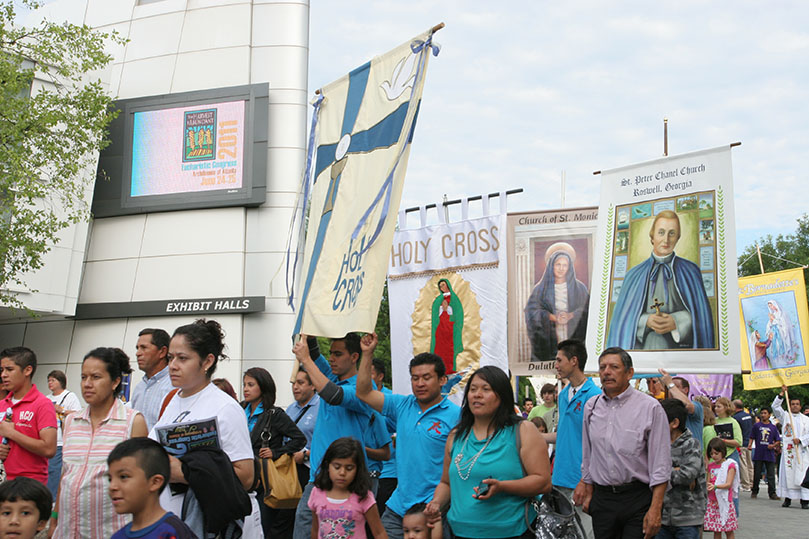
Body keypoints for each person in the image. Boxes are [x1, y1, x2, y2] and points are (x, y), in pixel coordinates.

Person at [150, 319, 260, 537]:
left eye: (183, 358)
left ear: (207, 361)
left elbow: (246, 477)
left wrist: (184, 472)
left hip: (212, 527)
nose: (173, 365)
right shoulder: (172, 399)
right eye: (171, 358)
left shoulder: (225, 407)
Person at [354, 334, 460, 539]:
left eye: (426, 377)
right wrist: (367, 355)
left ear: (442, 380)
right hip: (398, 508)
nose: (420, 383)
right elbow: (364, 393)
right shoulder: (402, 405)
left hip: (435, 510)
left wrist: (438, 504)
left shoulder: (456, 415)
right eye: (415, 378)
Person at [426, 366, 551, 538]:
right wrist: (435, 503)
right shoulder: (456, 436)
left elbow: (543, 482)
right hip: (460, 532)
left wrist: (502, 487)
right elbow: (446, 483)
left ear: (501, 396)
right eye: (473, 389)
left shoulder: (523, 430)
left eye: (486, 389)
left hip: (511, 532)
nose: (477, 394)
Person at [51, 347, 148, 538]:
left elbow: (142, 486)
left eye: (95, 377)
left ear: (115, 382)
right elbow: (66, 475)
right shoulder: (71, 422)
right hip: (68, 531)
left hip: (111, 531)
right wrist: (54, 518)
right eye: (83, 377)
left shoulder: (132, 422)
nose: (87, 384)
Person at [291, 334, 381, 539]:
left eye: (338, 354)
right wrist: (309, 324)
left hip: (349, 481)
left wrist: (304, 360)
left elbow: (333, 395)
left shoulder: (364, 387)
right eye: (331, 353)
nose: (331, 358)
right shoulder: (332, 376)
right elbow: (311, 349)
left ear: (354, 356)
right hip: (319, 480)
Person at [575, 347, 670, 539]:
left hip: (637, 498)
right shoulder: (591, 407)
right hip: (603, 499)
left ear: (629, 373)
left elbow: (661, 463)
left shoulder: (650, 407)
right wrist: (587, 486)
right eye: (602, 367)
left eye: (614, 367)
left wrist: (656, 508)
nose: (606, 372)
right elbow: (588, 453)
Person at [607, 210, 714, 350]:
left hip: (681, 350)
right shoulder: (633, 275)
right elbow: (621, 321)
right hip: (642, 349)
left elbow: (701, 318)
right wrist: (646, 320)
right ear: (652, 236)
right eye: (661, 232)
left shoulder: (691, 271)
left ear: (678, 238)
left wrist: (677, 321)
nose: (666, 240)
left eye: (672, 233)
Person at [541, 339, 599, 539]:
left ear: (574, 361)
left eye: (559, 360)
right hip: (560, 478)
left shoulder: (594, 395)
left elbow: (598, 443)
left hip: (581, 480)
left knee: (584, 533)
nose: (556, 365)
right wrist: (535, 436)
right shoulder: (564, 394)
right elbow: (564, 434)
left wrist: (586, 480)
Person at [242, 366, 306, 538]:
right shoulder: (240, 409)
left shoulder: (274, 414)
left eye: (250, 384)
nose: (246, 389)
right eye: (244, 385)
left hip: (266, 481)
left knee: (262, 529)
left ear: (263, 387)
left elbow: (300, 439)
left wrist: (276, 452)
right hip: (241, 478)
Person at [108, 438, 196, 539]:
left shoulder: (172, 532)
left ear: (155, 482)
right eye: (110, 479)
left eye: (123, 477)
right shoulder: (118, 536)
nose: (112, 487)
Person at [308, 437, 386, 539]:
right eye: (337, 467)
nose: (342, 473)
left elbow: (379, 533)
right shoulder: (317, 493)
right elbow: (315, 529)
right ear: (327, 466)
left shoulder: (363, 497)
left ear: (357, 469)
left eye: (349, 468)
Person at [524, 242, 590, 362]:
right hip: (550, 336)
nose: (561, 268)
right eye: (557, 264)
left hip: (572, 333)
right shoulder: (540, 289)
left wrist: (571, 315)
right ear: (551, 266)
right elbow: (531, 311)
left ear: (569, 267)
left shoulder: (579, 288)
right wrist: (552, 317)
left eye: (565, 265)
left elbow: (587, 309)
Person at [0, 347, 57, 486]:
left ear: (27, 370)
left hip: (29, 486)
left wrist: (12, 433)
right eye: (2, 370)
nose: (3, 375)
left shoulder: (43, 404)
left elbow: (49, 449)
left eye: (9, 369)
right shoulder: (2, 404)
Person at [657, 399, 706, 539]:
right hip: (661, 517)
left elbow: (687, 475)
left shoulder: (691, 444)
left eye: (660, 420)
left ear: (675, 423)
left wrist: (660, 472)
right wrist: (675, 470)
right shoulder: (656, 444)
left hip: (688, 518)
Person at [44, 370, 81, 501]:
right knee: (45, 469)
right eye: (48, 380)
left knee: (54, 470)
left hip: (60, 440)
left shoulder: (69, 396)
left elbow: (78, 414)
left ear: (61, 381)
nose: (50, 383)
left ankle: (51, 499)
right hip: (46, 439)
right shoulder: (46, 399)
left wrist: (62, 410)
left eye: (53, 380)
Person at [771, 385, 809, 508]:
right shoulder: (786, 417)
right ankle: (788, 499)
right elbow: (775, 407)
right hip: (789, 452)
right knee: (788, 474)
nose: (795, 406)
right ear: (790, 405)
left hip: (802, 452)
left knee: (802, 475)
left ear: (800, 406)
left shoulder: (806, 419)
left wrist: (801, 440)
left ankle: (805, 500)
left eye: (797, 404)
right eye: (792, 404)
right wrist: (782, 393)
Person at [130, 328, 173, 431]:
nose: (138, 353)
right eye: (137, 348)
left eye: (144, 348)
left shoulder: (174, 385)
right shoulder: (139, 388)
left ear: (162, 352)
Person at [370, 358, 397, 516]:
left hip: (388, 471)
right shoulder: (358, 397)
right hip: (365, 469)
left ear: (380, 377)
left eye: (370, 373)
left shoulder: (391, 399)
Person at [658, 372, 704, 448]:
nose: (671, 390)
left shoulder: (697, 406)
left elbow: (687, 405)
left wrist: (670, 383)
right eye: (669, 387)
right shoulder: (665, 408)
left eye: (676, 386)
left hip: (691, 456)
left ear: (686, 390)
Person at [704, 438, 738, 539]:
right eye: (711, 453)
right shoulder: (711, 466)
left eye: (716, 453)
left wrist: (715, 486)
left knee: (728, 530)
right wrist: (708, 486)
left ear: (723, 452)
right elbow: (708, 481)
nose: (714, 456)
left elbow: (728, 484)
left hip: (725, 500)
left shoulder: (729, 465)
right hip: (713, 501)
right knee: (716, 530)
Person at [430, 278, 464, 374]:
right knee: (440, 348)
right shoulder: (438, 299)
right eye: (440, 286)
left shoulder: (454, 299)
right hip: (440, 327)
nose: (442, 288)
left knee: (449, 349)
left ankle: (449, 368)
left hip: (450, 327)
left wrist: (447, 310)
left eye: (443, 285)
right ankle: (438, 368)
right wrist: (442, 310)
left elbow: (458, 314)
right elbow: (435, 314)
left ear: (448, 285)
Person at [749, 405, 780, 500]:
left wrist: (773, 446)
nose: (763, 415)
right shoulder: (757, 426)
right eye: (762, 413)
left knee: (770, 474)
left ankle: (772, 493)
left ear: (769, 415)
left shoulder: (773, 427)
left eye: (765, 413)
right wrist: (750, 445)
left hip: (769, 453)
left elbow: (778, 440)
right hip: (759, 452)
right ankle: (754, 491)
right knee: (757, 473)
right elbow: (752, 436)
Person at [732, 399, 754, 492]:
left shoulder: (736, 418)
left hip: (741, 443)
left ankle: (745, 484)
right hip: (749, 442)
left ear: (735, 407)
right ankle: (752, 482)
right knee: (749, 464)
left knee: (743, 465)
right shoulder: (748, 416)